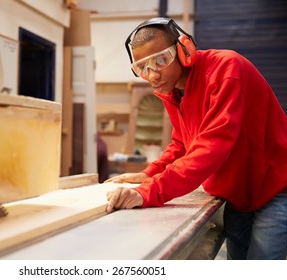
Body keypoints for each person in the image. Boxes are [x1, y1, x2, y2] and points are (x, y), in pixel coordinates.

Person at [105, 17, 287, 260]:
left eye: (161, 60)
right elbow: (183, 143)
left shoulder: (226, 70)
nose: (153, 75)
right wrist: (151, 172)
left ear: (185, 50)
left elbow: (212, 145)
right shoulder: (172, 90)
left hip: (274, 187)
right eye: (143, 67)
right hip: (237, 195)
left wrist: (150, 191)